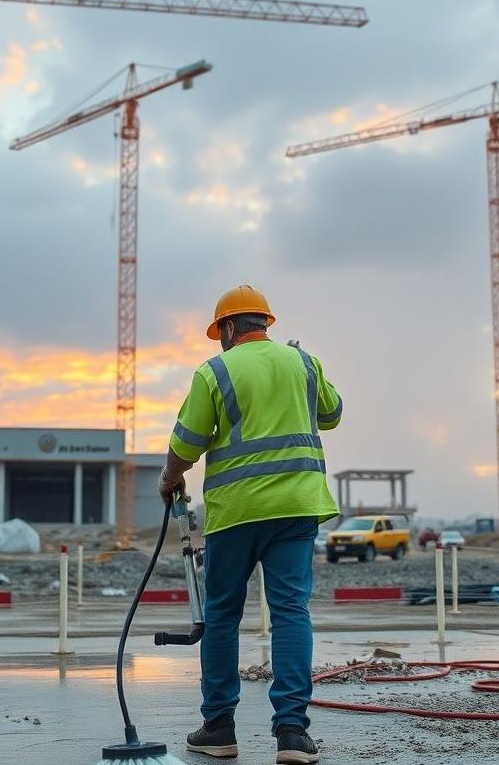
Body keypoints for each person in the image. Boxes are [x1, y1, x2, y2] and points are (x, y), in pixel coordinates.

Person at [158, 285, 343, 764]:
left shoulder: (215, 371)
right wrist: (309, 371)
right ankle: (292, 735)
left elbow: (188, 441)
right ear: (265, 323)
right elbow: (332, 414)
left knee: (222, 614)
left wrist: (169, 479)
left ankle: (219, 728)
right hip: (297, 507)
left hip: (237, 512)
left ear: (227, 329)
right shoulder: (303, 362)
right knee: (290, 613)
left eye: (218, 331)